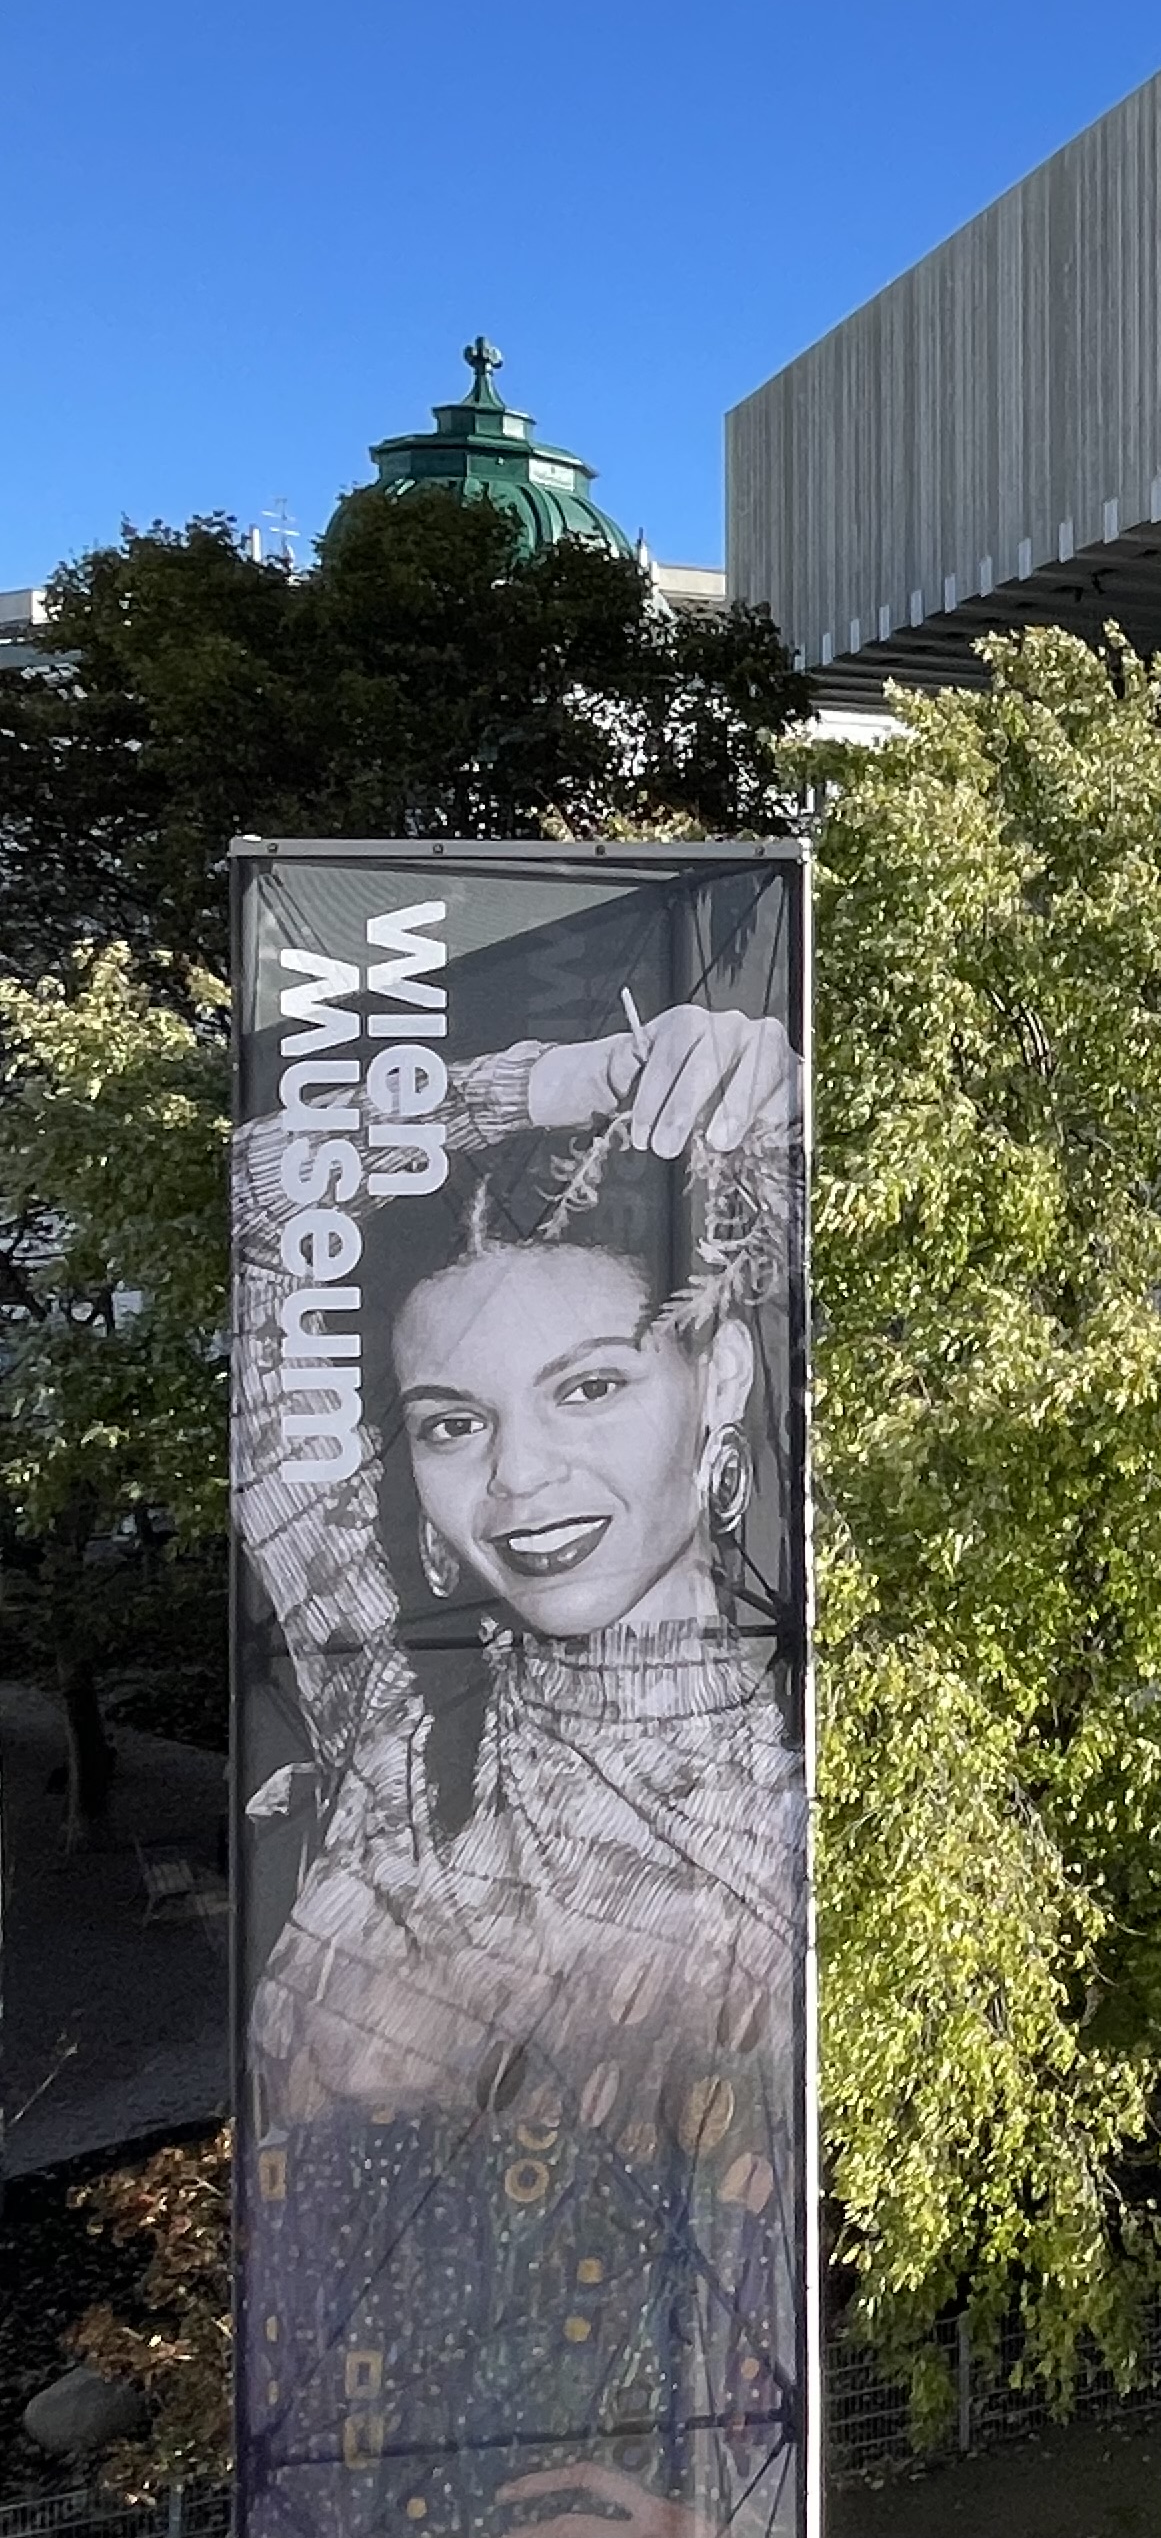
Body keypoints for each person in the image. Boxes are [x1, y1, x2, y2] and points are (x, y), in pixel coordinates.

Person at [235, 1001, 803, 2538]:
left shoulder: (801, 1789)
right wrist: (576, 1079)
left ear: (722, 1381)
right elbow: (270, 1181)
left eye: (591, 1386)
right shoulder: (397, 1710)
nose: (519, 1480)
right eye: (451, 1422)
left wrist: (737, 2524)